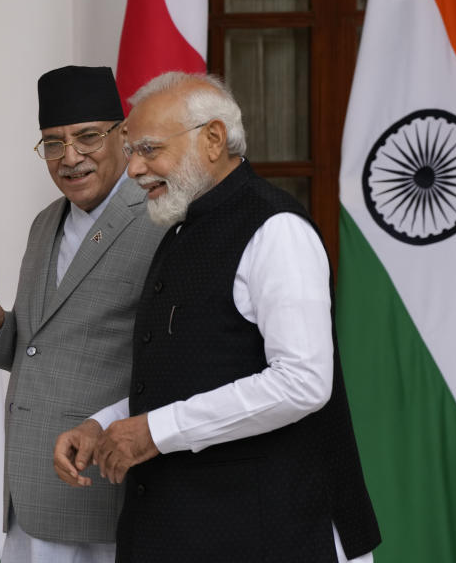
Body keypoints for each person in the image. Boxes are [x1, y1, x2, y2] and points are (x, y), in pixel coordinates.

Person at [54, 72, 381, 562]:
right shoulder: (181, 228)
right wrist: (105, 424)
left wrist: (155, 432)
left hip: (274, 533)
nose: (134, 168)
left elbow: (303, 383)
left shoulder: (277, 230)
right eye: (131, 150)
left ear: (213, 139)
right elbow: (193, 371)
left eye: (147, 149)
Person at [0, 65, 165, 562]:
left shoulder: (159, 217)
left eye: (87, 137)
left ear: (125, 135)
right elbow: (43, 345)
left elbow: (169, 358)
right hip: (28, 487)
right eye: (53, 143)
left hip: (99, 485)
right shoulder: (45, 222)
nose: (70, 158)